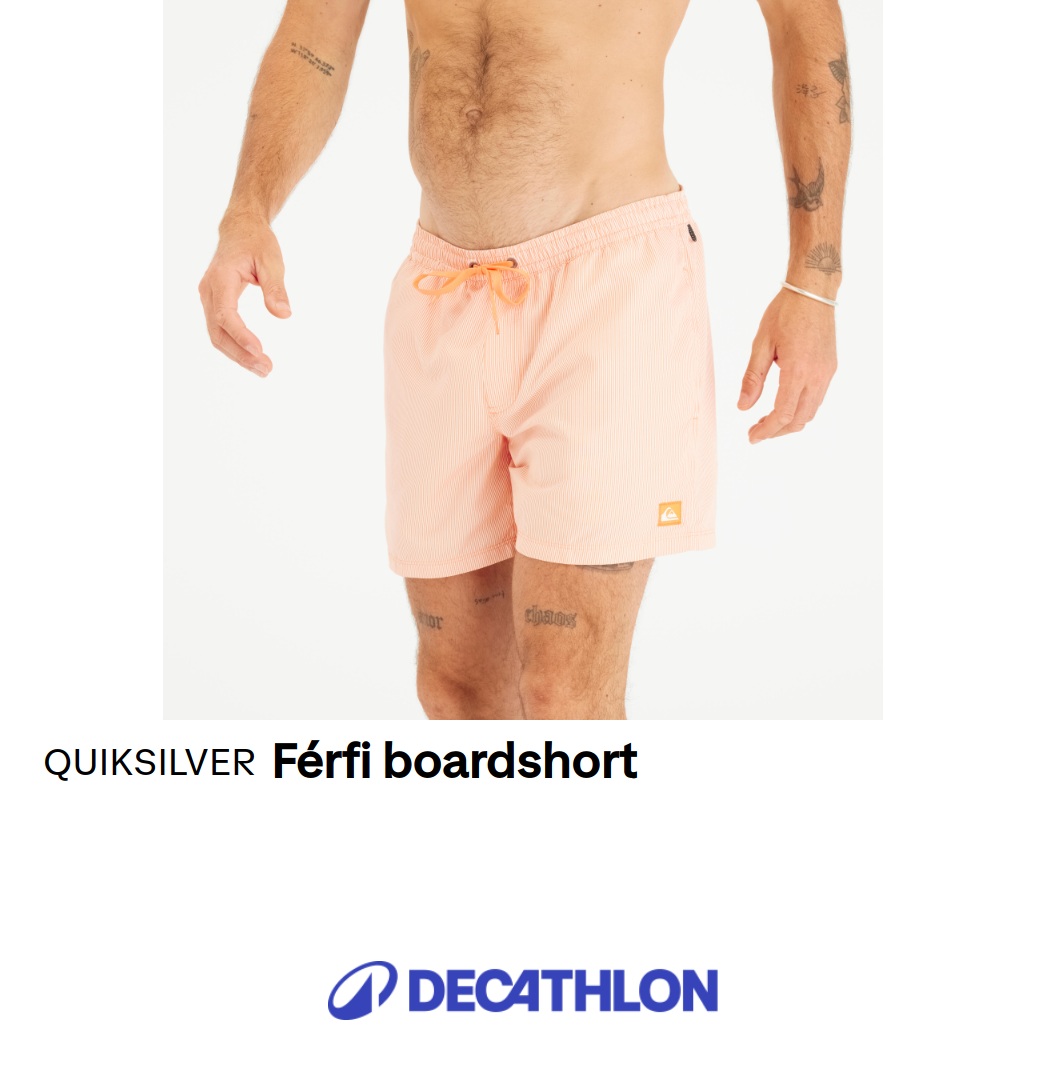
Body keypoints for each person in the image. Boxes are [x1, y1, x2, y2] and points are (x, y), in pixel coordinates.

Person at [198, 0, 851, 721]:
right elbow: (315, 35)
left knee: (565, 693)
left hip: (610, 282)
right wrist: (248, 210)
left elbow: (804, 25)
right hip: (442, 286)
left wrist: (813, 281)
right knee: (457, 690)